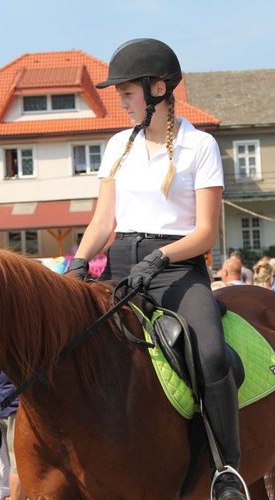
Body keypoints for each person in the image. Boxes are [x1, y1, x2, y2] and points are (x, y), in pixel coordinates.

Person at [63, 38, 245, 499]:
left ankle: (227, 469)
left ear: (158, 87)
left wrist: (161, 257)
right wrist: (78, 264)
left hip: (177, 270)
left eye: (126, 93)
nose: (120, 102)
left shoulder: (198, 145)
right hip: (120, 264)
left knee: (209, 355)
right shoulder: (116, 146)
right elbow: (103, 220)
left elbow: (206, 232)